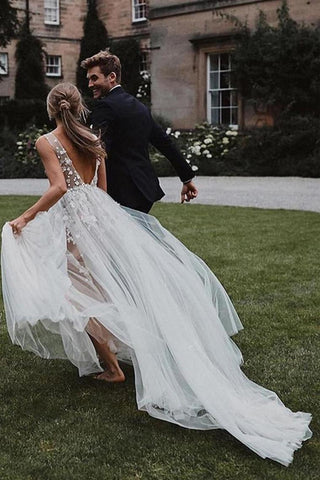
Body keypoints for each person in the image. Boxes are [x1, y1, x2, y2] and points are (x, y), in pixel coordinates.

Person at [1, 83, 312, 466]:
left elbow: (61, 188)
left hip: (73, 226)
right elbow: (101, 187)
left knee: (75, 295)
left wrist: (26, 217)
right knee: (101, 288)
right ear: (80, 106)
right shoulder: (93, 139)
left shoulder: (47, 141)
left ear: (51, 110)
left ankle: (113, 365)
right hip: (101, 218)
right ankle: (119, 351)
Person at [80, 50, 198, 213]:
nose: (90, 85)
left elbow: (96, 151)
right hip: (144, 191)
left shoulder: (105, 107)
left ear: (112, 77)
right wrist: (186, 178)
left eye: (94, 78)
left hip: (119, 192)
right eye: (89, 79)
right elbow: (164, 142)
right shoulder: (139, 106)